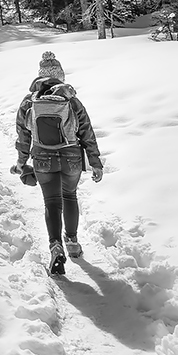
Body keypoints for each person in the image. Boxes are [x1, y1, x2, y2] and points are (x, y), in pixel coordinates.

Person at [15, 71, 103, 275]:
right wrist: (95, 162)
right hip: (72, 156)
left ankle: (55, 246)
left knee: (52, 202)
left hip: (42, 158)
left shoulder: (30, 101)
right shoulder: (71, 100)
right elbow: (87, 131)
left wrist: (21, 163)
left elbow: (23, 135)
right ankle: (72, 242)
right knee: (70, 196)